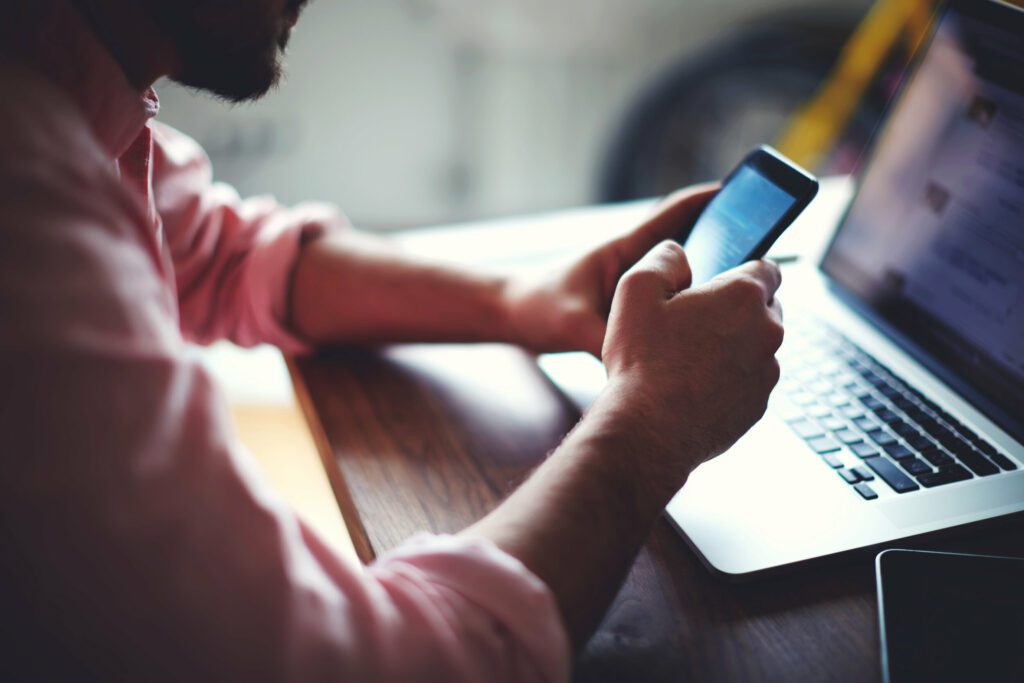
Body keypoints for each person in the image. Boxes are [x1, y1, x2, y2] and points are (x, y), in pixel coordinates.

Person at [0, 0, 783, 680]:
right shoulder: (25, 190)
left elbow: (215, 251)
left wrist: (525, 299)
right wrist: (649, 426)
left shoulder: (57, 76)